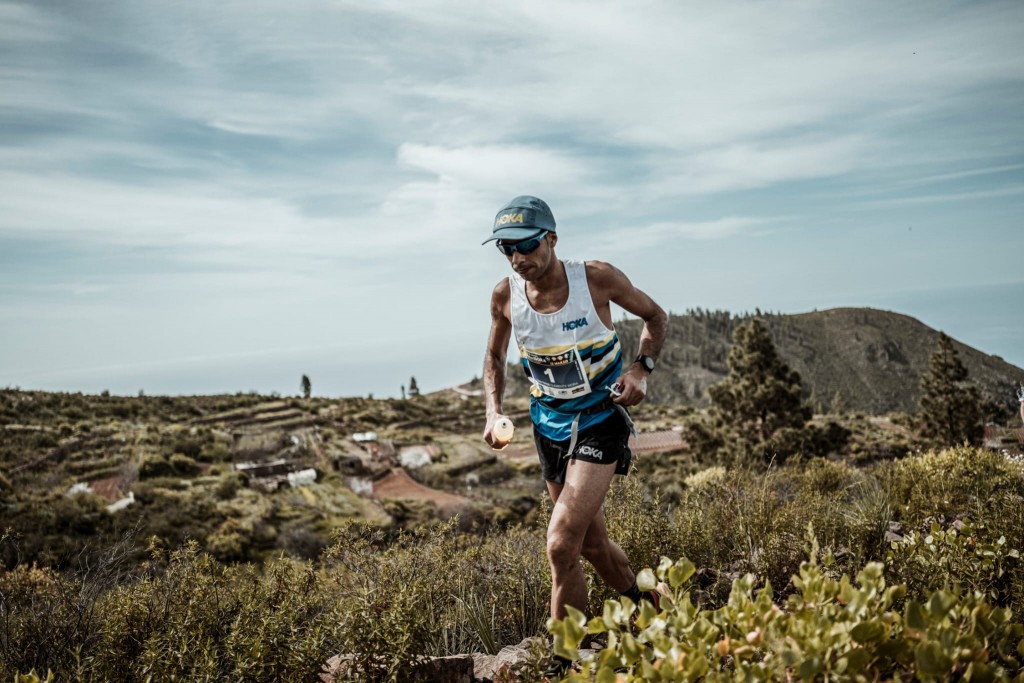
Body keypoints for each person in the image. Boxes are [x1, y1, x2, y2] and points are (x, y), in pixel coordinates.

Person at [480, 195, 668, 628]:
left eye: (526, 245)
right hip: (548, 425)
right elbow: (493, 356)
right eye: (505, 248)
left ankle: (565, 662)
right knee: (591, 547)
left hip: (601, 418)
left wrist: (641, 369)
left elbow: (656, 317)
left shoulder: (596, 280)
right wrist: (493, 411)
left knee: (561, 542)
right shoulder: (504, 296)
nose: (516, 257)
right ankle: (655, 611)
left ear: (551, 238)